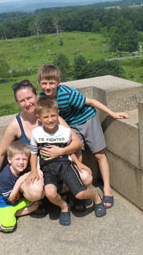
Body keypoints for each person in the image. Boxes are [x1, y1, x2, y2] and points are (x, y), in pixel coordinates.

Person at [37, 65, 130, 208]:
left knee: (99, 154)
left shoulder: (67, 93)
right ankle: (77, 191)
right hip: (70, 125)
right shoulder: (42, 98)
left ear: (58, 82)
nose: (47, 86)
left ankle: (107, 189)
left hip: (87, 119)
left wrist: (113, 114)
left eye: (51, 83)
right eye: (44, 83)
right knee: (74, 153)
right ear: (39, 83)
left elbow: (91, 102)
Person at [0, 79, 90, 205]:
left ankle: (64, 194)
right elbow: (1, 154)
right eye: (22, 101)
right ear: (18, 103)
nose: (27, 103)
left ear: (36, 95)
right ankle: (46, 199)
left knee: (86, 177)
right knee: (35, 191)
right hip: (36, 172)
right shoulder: (16, 125)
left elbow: (77, 143)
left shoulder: (50, 116)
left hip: (60, 165)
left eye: (29, 98)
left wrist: (61, 151)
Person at [27, 96, 106, 226]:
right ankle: (64, 207)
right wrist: (34, 171)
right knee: (50, 193)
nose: (50, 119)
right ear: (39, 118)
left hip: (65, 165)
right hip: (48, 168)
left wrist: (78, 163)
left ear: (58, 114)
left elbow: (69, 150)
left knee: (80, 193)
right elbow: (34, 153)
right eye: (45, 117)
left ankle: (96, 198)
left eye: (53, 115)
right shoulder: (36, 133)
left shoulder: (65, 132)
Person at [0, 141, 39, 232]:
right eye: (17, 159)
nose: (21, 162)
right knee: (8, 227)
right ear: (9, 160)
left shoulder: (22, 169)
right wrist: (20, 181)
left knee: (36, 205)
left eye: (24, 159)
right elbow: (10, 198)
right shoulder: (5, 177)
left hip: (14, 203)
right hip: (1, 205)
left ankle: (12, 212)